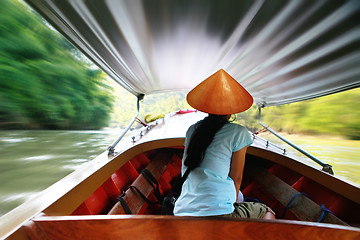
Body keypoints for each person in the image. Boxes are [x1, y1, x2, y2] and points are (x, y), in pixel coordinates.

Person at [173, 69, 275, 219]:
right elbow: (236, 178)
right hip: (218, 213)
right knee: (267, 212)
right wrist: (232, 207)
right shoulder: (238, 132)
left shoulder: (192, 130)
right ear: (232, 109)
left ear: (207, 107)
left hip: (182, 211)